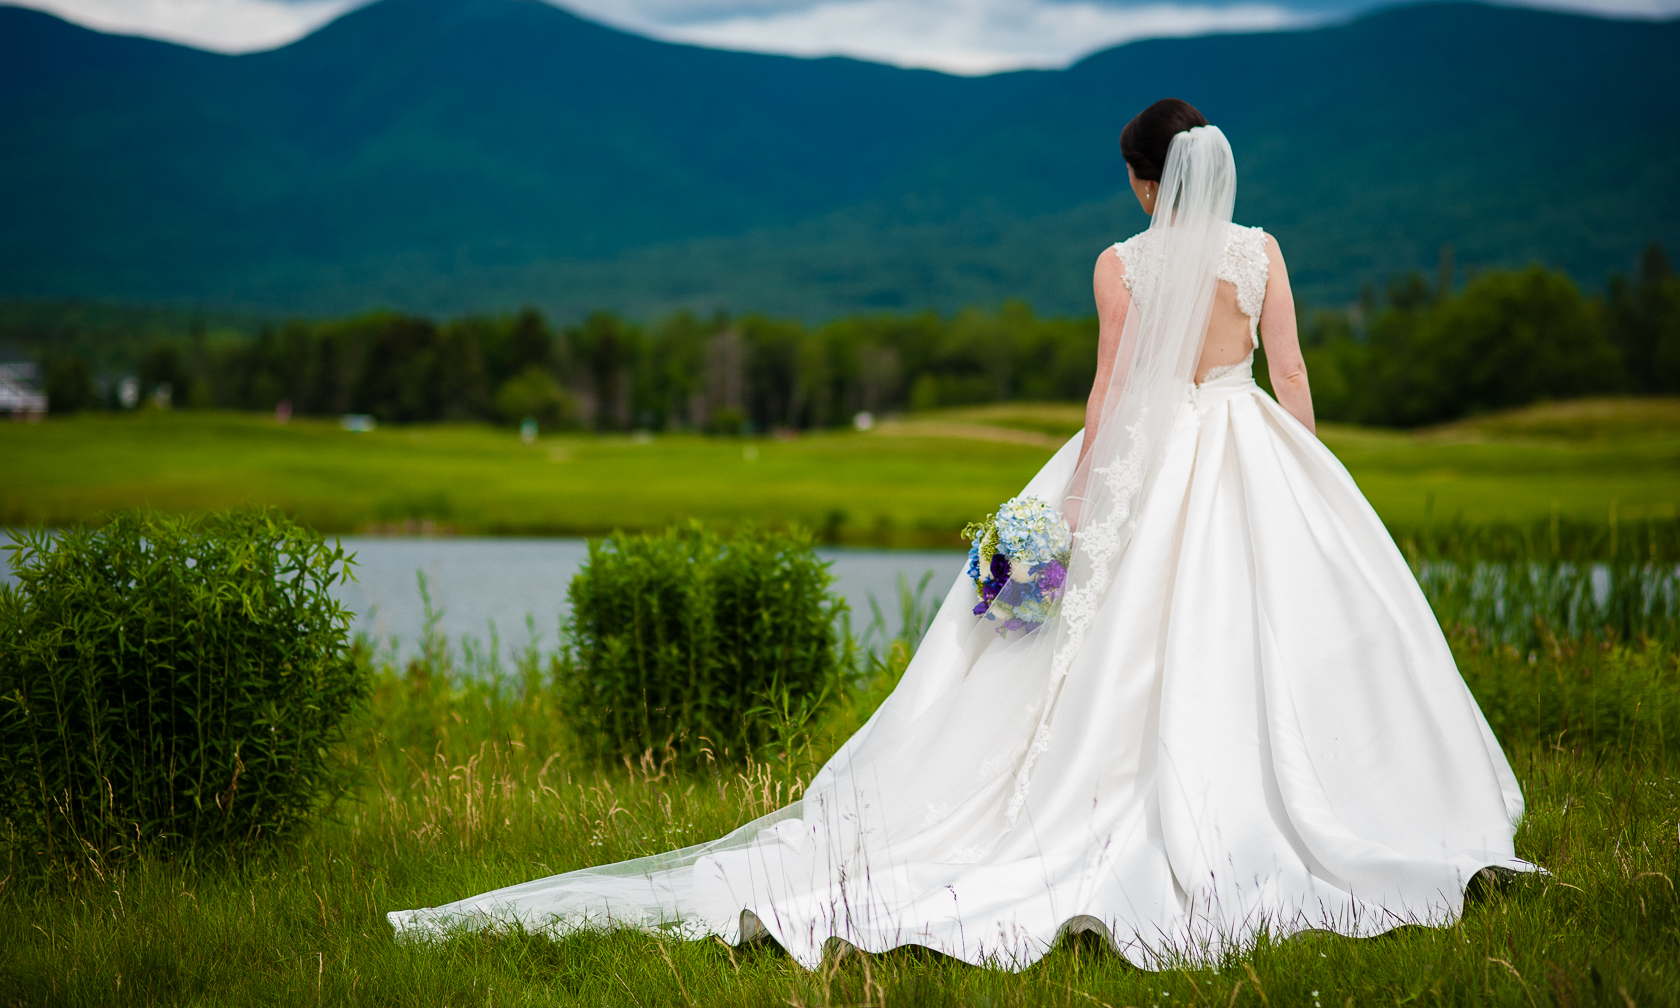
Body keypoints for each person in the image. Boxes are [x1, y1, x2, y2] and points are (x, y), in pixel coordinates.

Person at [389, 99, 1533, 969]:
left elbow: (1108, 398)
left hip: (1152, 455)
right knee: (1269, 634)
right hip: (1247, 446)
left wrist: (1069, 511)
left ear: (1145, 182)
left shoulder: (1123, 262)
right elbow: (1289, 371)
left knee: (1099, 648)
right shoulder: (1263, 251)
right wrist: (1310, 472)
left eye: (1137, 181)